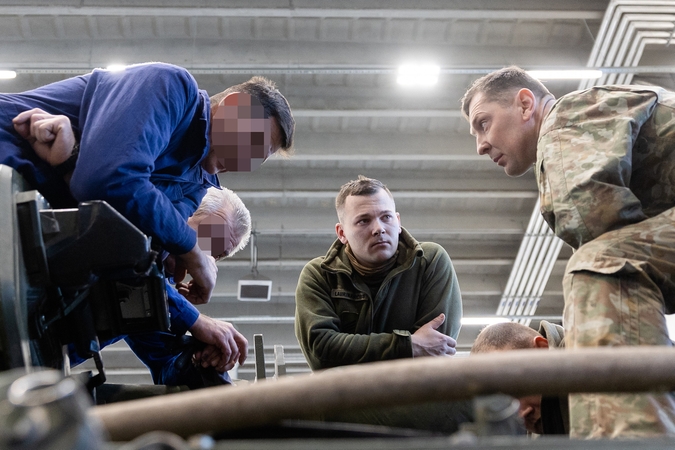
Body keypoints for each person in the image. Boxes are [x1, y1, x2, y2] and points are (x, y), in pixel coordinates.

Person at [1, 61, 294, 377]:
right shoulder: (171, 87)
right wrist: (191, 249)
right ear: (231, 105)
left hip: (26, 254)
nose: (244, 163)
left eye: (257, 160)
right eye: (251, 144)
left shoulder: (197, 184)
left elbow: (134, 257)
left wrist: (194, 333)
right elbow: (108, 179)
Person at [461, 66, 675, 438]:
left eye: (483, 123)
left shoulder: (563, 121)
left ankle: (633, 439)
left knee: (598, 267)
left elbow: (594, 217)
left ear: (525, 104)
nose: (479, 145)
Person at [294, 175, 462, 371]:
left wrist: (354, 350)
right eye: (364, 221)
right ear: (342, 233)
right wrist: (408, 346)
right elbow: (321, 352)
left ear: (398, 222)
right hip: (347, 400)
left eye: (386, 217)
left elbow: (436, 348)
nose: (379, 229)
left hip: (415, 399)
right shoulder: (319, 275)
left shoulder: (430, 261)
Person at [471, 321, 569, 435]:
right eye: (504, 402)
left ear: (542, 350)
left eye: (518, 389)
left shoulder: (582, 352)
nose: (522, 413)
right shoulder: (537, 429)